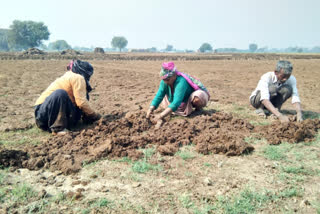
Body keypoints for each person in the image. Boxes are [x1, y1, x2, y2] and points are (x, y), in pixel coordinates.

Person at [34, 59, 101, 134]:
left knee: (84, 95)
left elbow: (80, 100)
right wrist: (95, 115)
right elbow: (81, 102)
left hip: (46, 114)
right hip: (43, 115)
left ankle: (87, 119)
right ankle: (57, 129)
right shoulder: (78, 77)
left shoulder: (70, 76)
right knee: (60, 93)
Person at [146, 61, 210, 128]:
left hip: (187, 98)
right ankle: (173, 109)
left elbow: (177, 102)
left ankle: (198, 110)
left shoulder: (181, 81)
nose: (165, 82)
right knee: (164, 99)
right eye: (164, 80)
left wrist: (160, 116)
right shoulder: (164, 81)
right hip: (176, 99)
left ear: (174, 75)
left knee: (198, 98)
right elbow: (159, 95)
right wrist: (150, 109)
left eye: (168, 80)